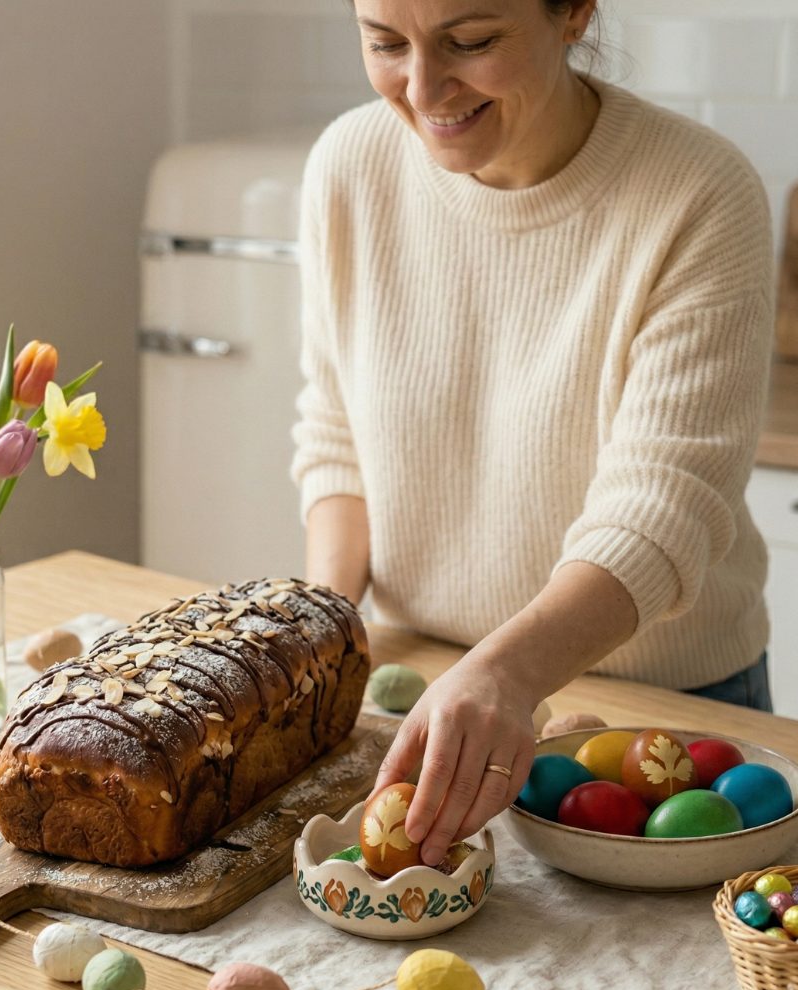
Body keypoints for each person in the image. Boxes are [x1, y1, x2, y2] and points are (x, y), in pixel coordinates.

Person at [290, 0, 774, 870]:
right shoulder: (348, 166)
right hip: (422, 684)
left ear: (575, 13)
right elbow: (337, 432)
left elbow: (661, 511)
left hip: (652, 711)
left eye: (471, 43)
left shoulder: (699, 190)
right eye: (384, 42)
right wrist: (321, 639)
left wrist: (504, 673)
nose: (424, 88)